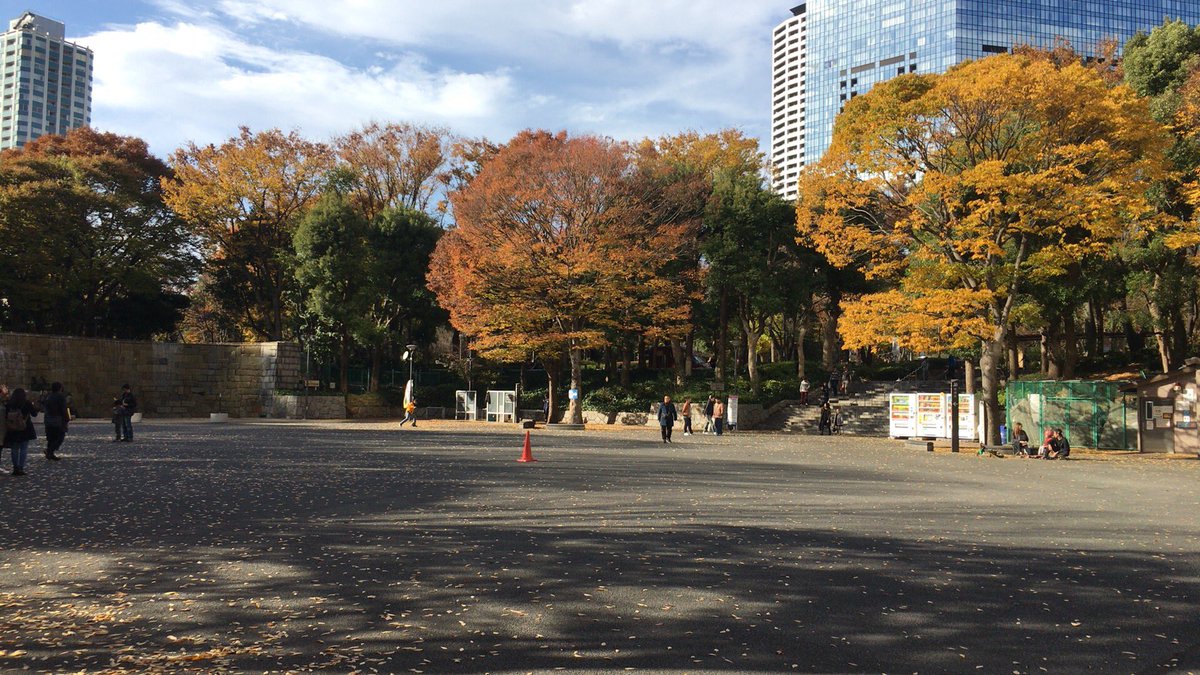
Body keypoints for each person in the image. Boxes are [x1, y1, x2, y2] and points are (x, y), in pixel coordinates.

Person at [4, 388, 39, 476]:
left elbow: (6, 415)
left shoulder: (10, 404)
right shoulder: (26, 403)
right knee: (24, 448)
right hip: (25, 427)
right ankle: (21, 467)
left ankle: (15, 468)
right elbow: (34, 414)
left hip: (13, 428)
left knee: (14, 448)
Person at [41, 382, 68, 461]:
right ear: (60, 388)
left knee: (51, 438)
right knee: (60, 437)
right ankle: (49, 451)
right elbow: (63, 409)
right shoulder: (60, 397)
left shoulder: (48, 396)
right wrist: (66, 419)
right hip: (57, 419)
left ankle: (50, 453)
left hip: (48, 419)